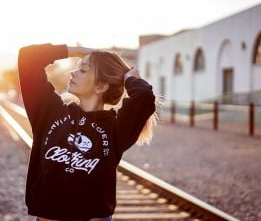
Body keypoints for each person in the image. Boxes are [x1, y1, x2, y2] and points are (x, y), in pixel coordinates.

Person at [17, 43, 161, 221]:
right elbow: (28, 57)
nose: (73, 73)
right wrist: (77, 51)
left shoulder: (115, 128)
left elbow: (144, 99)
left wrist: (130, 78)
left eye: (83, 70)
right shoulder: (49, 112)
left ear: (101, 86)